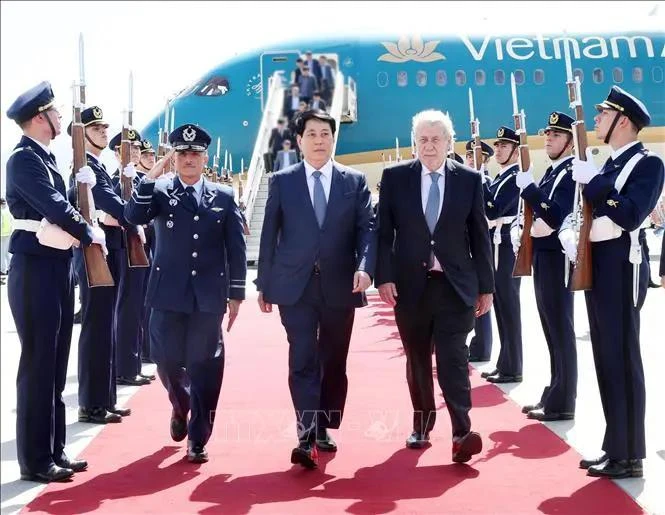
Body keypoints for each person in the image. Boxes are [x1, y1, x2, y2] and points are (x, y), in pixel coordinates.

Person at [256, 109, 376, 470]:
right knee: (303, 358)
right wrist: (264, 283)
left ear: (333, 139)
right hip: (295, 286)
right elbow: (268, 237)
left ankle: (325, 423)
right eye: (311, 134)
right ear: (299, 141)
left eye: (325, 134)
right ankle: (306, 435)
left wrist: (366, 267)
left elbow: (367, 230)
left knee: (333, 360)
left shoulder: (353, 181)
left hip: (341, 283)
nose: (319, 140)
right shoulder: (282, 180)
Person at [375, 109, 493, 462]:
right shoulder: (395, 178)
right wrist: (384, 276)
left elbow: (479, 235)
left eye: (435, 139)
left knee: (454, 358)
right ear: (415, 143)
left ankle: (461, 431)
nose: (429, 146)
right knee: (417, 359)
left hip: (454, 286)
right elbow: (383, 234)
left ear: (448, 142)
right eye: (422, 140)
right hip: (411, 287)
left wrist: (486, 287)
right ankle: (422, 425)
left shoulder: (469, 180)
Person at [125, 123, 247, 464]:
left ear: (204, 157)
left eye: (194, 154)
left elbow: (235, 249)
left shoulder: (223, 196)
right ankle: (181, 404)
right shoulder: (160, 191)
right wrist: (149, 177)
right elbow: (131, 216)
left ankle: (198, 438)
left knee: (206, 365)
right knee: (166, 361)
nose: (189, 159)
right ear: (174, 157)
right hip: (166, 294)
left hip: (208, 297)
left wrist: (236, 294)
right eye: (182, 153)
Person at [559, 86, 664, 478]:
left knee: (622, 358)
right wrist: (572, 234)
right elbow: (582, 212)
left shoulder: (646, 164)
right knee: (605, 358)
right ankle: (614, 446)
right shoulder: (606, 165)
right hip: (597, 269)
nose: (598, 120)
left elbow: (631, 214)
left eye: (604, 114)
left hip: (622, 270)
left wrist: (597, 185)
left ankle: (631, 454)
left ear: (624, 121)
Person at [5, 81, 106, 482]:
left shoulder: (44, 158)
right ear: (38, 118)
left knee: (56, 362)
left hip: (56, 265)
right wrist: (88, 232)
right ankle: (34, 458)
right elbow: (53, 206)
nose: (60, 118)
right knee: (38, 365)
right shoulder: (23, 160)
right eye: (54, 112)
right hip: (34, 270)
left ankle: (54, 447)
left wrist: (87, 186)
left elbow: (62, 201)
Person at [66, 106, 138, 424]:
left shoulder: (97, 168)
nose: (104, 132)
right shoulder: (83, 170)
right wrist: (137, 212)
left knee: (105, 326)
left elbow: (113, 200)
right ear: (81, 136)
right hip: (89, 251)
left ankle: (104, 398)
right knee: (95, 327)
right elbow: (109, 204)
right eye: (96, 129)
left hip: (101, 249)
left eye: (105, 128)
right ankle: (91, 403)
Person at [512, 111, 577, 421]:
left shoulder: (568, 174)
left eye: (557, 134)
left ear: (570, 142)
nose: (549, 138)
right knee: (551, 329)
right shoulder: (553, 173)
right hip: (544, 257)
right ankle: (554, 391)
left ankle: (564, 399)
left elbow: (554, 215)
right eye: (548, 133)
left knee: (561, 329)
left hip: (557, 259)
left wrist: (530, 190)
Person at [108, 130, 152, 387]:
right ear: (117, 153)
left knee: (137, 307)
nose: (135, 152)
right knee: (127, 309)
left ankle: (132, 363)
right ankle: (125, 366)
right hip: (123, 249)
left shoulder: (134, 179)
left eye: (137, 149)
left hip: (138, 247)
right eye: (130, 148)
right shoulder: (117, 179)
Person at [480, 126, 523, 384]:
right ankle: (504, 363)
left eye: (505, 146)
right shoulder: (500, 177)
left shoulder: (515, 177)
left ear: (516, 151)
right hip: (498, 243)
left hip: (508, 245)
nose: (498, 150)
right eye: (497, 145)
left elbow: (493, 210)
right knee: (501, 306)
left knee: (509, 306)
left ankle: (513, 365)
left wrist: (479, 180)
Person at [464, 139, 494, 363]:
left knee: (482, 298)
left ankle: (483, 347)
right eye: (468, 155)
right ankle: (477, 343)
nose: (469, 159)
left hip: (485, 244)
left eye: (473, 155)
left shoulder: (486, 182)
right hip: (466, 246)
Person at [1, 197, 12, 279]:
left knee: (1, 253)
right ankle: (9, 268)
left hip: (2, 235)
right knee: (7, 253)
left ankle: (2, 270)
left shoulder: (1, 212)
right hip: (8, 233)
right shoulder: (8, 211)